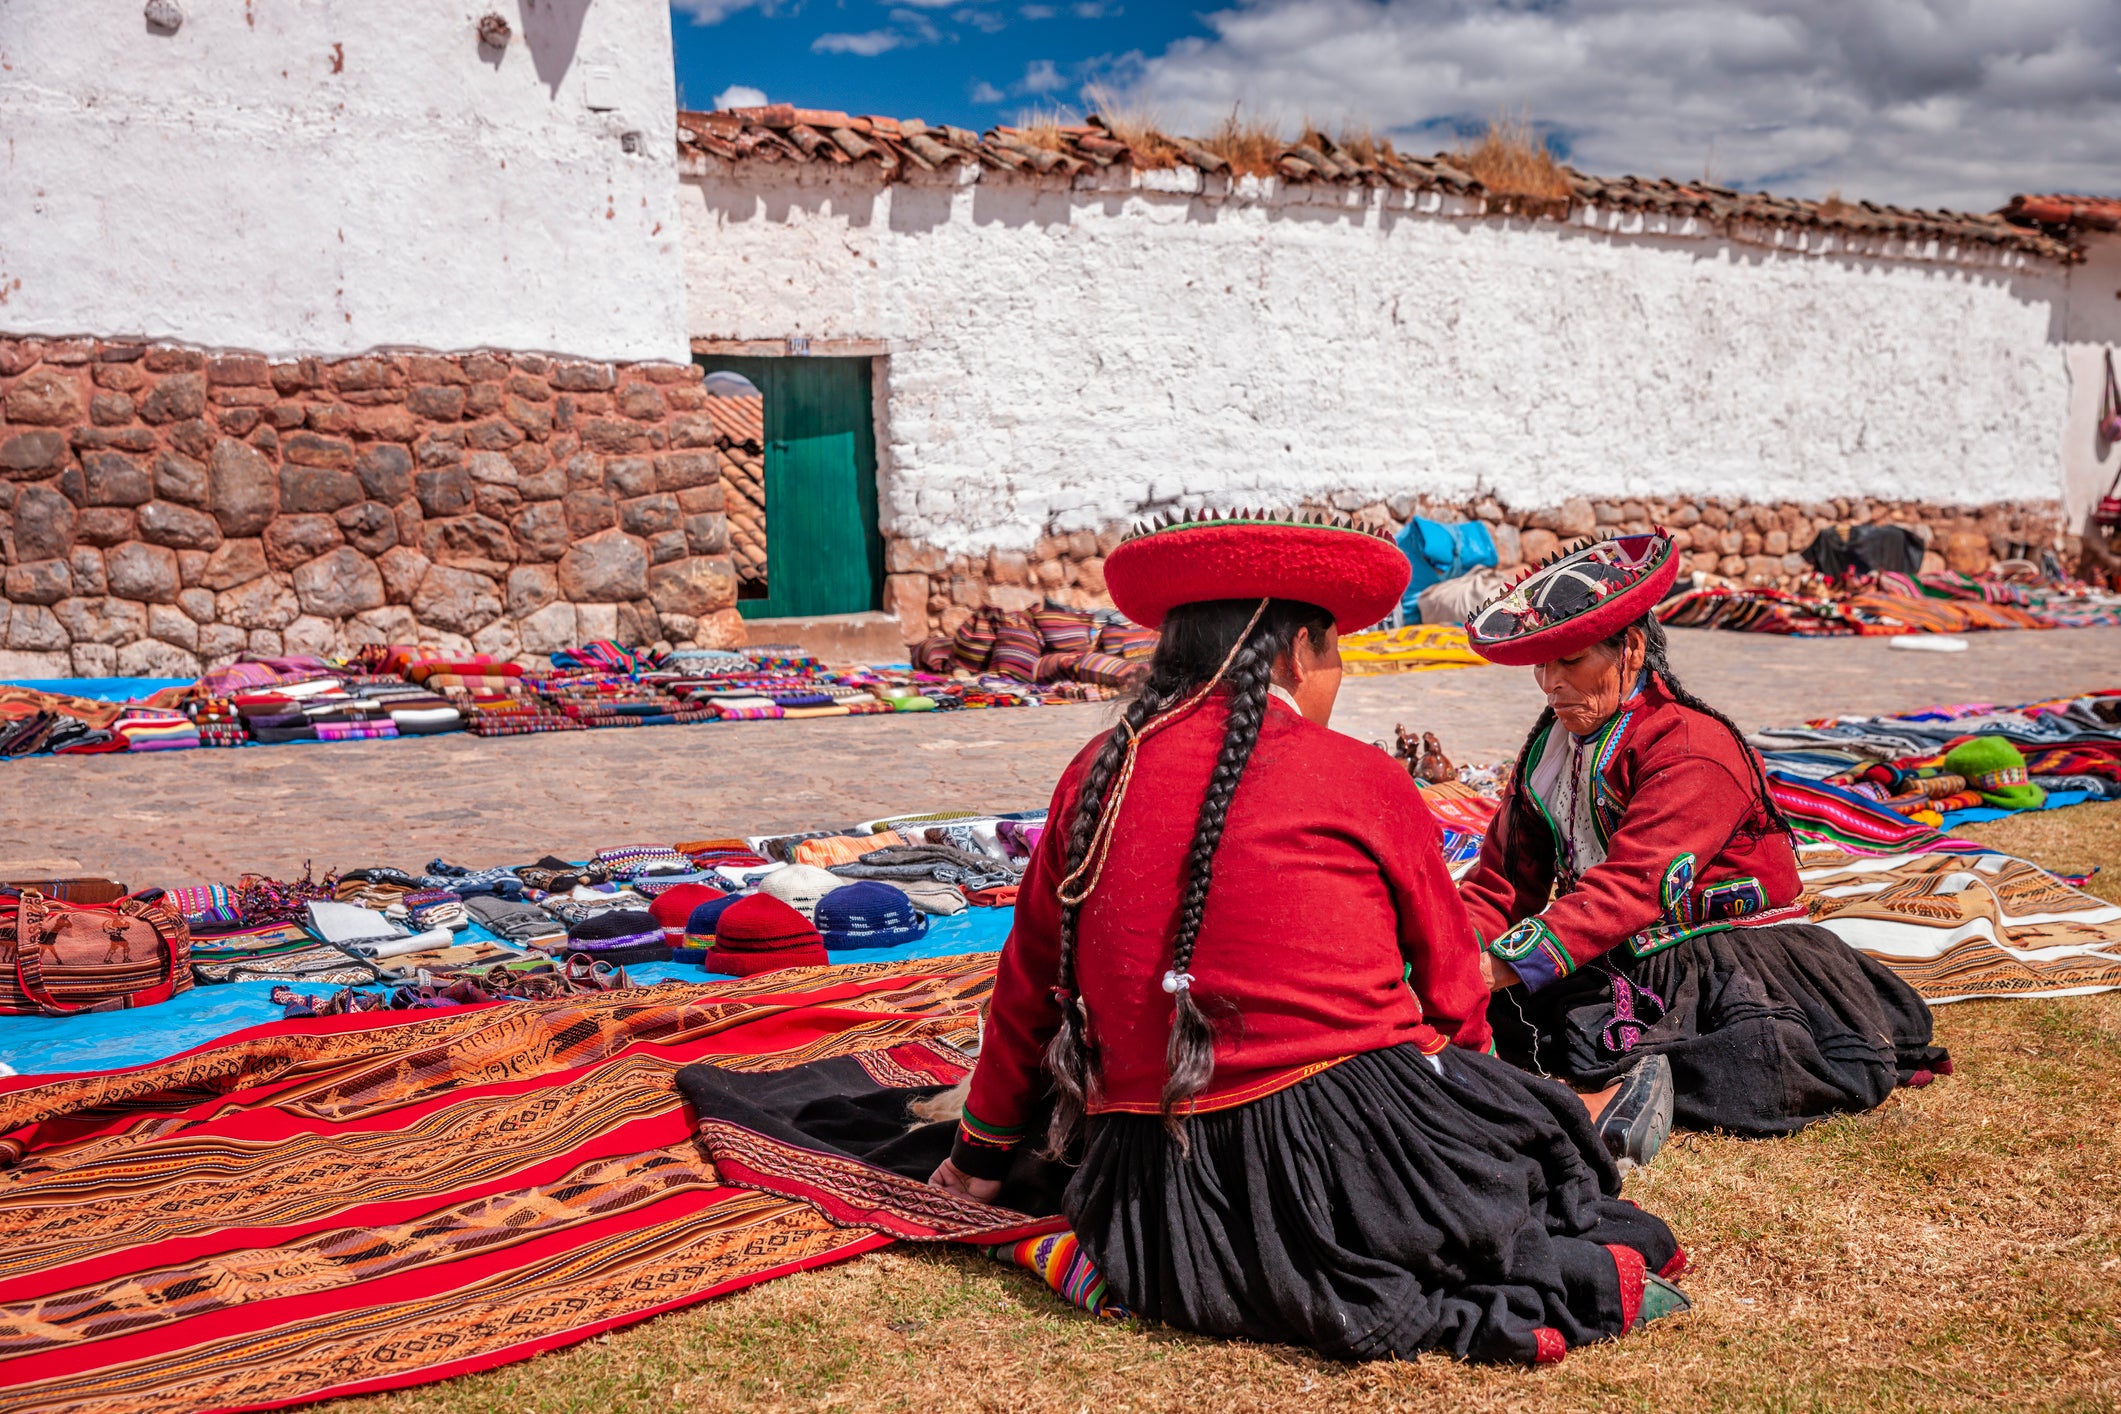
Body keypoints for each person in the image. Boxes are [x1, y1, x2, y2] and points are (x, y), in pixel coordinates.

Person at [930, 510, 1687, 1367]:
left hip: (1154, 1197)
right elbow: (1450, 992)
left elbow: (1029, 982)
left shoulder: (1096, 768)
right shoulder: (1358, 775)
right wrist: (1482, 1120)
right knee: (1541, 1135)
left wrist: (979, 1155)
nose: (1337, 676)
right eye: (1334, 653)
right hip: (1345, 1161)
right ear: (1296, 652)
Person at [1459, 530, 1949, 1136]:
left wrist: (1493, 968)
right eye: (1542, 664)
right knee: (1488, 1009)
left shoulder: (1692, 746)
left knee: (1760, 1061)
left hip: (1722, 953)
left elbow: (1635, 885)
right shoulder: (1549, 754)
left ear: (1630, 650)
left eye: (1571, 660)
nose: (1549, 683)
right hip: (1617, 945)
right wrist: (1447, 955)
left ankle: (1644, 1084)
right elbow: (1503, 883)